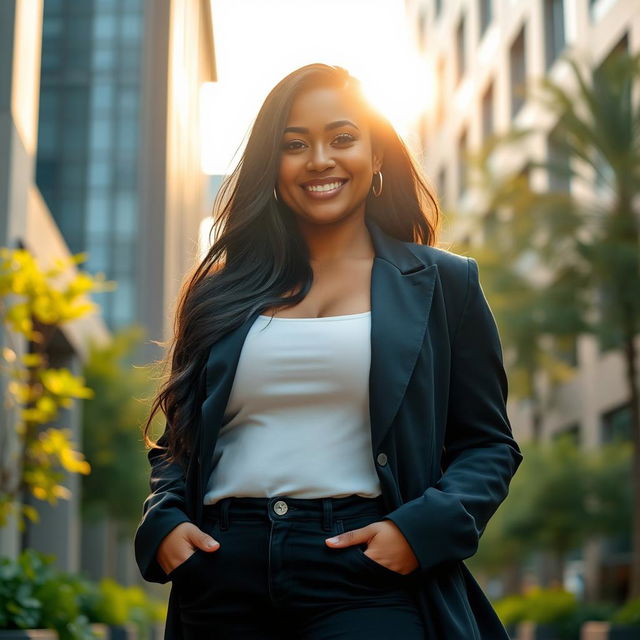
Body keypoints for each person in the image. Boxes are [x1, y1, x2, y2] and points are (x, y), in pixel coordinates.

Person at [134, 63, 524, 640]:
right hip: (221, 567)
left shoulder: (444, 284)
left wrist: (418, 532)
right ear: (273, 166)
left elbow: (488, 444)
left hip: (367, 566)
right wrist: (163, 521)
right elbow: (180, 442)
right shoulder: (220, 290)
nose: (320, 160)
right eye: (295, 144)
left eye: (343, 138)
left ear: (377, 155)